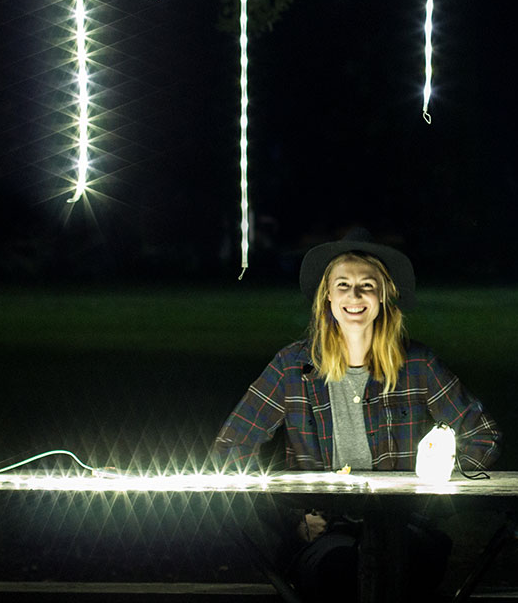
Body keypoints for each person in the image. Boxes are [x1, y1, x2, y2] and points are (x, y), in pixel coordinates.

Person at [212, 227, 502, 601]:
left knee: (400, 570)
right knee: (339, 571)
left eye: (367, 285)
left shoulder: (417, 364)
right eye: (343, 284)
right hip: (324, 533)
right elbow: (232, 446)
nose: (355, 295)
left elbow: (483, 434)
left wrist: (429, 494)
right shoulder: (292, 367)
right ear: (327, 297)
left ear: (383, 295)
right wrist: (292, 518)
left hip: (404, 528)